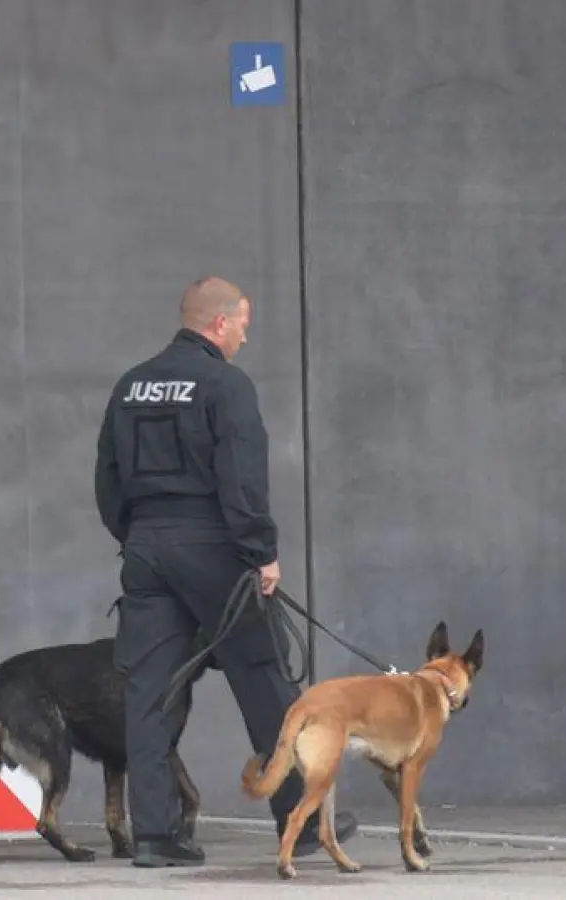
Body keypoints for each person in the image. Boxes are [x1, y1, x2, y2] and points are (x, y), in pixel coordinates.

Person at [94, 276, 358, 867]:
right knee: (265, 680)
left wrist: (137, 536)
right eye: (243, 324)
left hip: (146, 547)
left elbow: (106, 478)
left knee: (149, 691)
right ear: (219, 323)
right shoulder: (224, 384)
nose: (244, 335)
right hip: (216, 547)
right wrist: (261, 550)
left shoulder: (130, 386)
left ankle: (157, 837)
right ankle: (305, 822)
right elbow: (241, 479)